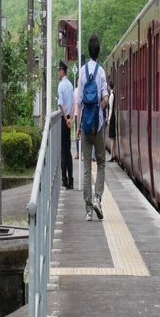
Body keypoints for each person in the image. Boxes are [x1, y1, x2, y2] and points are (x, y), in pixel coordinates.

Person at [74, 33, 109, 222]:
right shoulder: (101, 72)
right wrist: (102, 107)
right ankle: (97, 198)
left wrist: (79, 126)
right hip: (99, 125)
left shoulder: (81, 71)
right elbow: (104, 97)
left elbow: (79, 101)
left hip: (85, 126)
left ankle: (88, 209)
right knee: (101, 163)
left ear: (88, 51)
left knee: (86, 166)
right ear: (99, 51)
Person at [57, 60, 74, 189]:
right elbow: (73, 104)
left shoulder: (61, 85)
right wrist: (71, 119)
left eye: (58, 70)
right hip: (69, 120)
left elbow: (61, 104)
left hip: (64, 121)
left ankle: (64, 179)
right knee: (68, 151)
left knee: (63, 151)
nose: (57, 73)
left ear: (62, 71)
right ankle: (71, 180)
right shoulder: (70, 85)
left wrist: (65, 119)